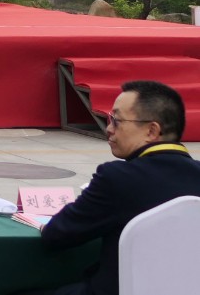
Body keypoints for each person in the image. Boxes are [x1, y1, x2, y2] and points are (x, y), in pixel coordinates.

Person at [26, 80, 200, 295]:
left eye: (116, 121)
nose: (109, 129)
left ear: (151, 130)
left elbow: (57, 235)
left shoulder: (118, 178)